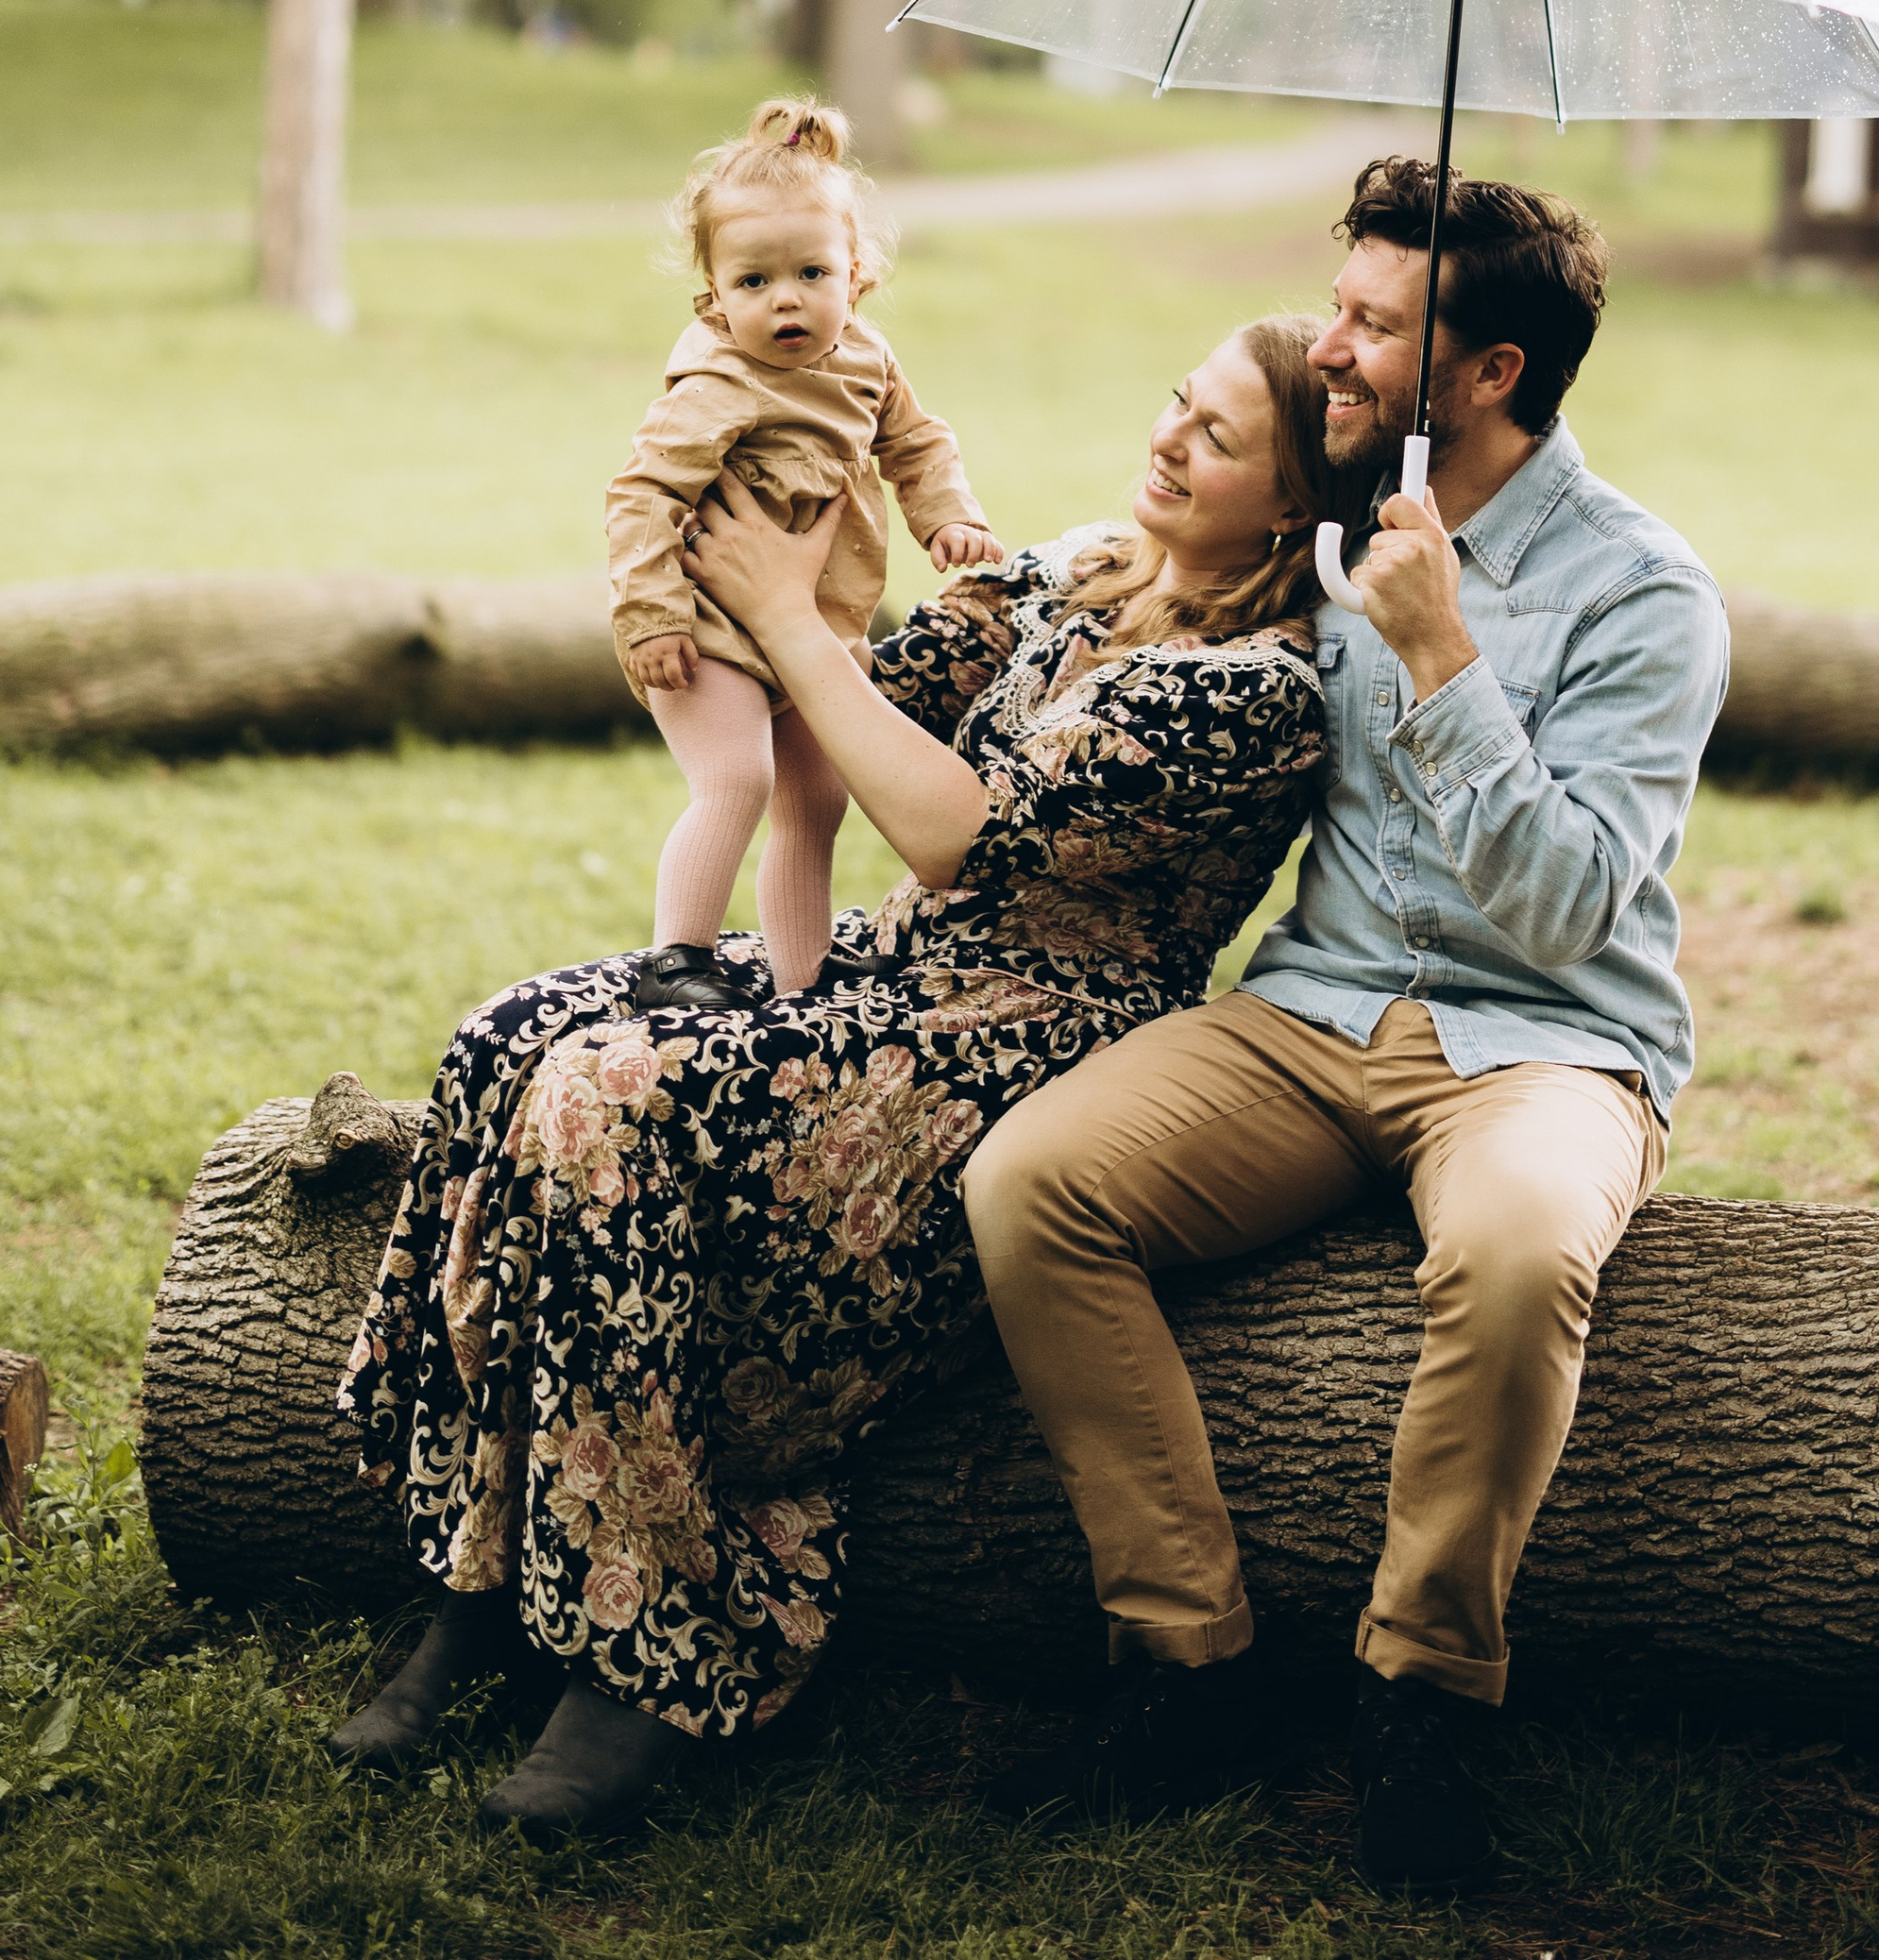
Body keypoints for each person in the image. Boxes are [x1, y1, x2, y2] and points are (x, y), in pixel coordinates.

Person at [330, 315, 1336, 1840]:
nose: (1166, 439)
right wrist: (736, 549)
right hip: (878, 961)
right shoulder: (1084, 571)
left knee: (618, 1101)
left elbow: (955, 826)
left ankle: (650, 1653)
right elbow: (874, 687)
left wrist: (791, 620)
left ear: (1291, 506)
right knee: (513, 1037)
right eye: (1172, 403)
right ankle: (486, 1575)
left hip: (1028, 1032)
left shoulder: (1263, 692)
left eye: (1215, 436)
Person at [964, 159, 1731, 1901]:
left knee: (1526, 1254)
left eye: (1379, 324)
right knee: (1035, 1186)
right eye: (1345, 303)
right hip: (1311, 1010)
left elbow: (1565, 908)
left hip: (1545, 1041)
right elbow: (1162, 560)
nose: (1334, 342)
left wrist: (1448, 659)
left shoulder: (1645, 595)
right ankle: (1188, 1662)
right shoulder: (1334, 517)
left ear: (1492, 375)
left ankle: (1422, 1694)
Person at [604, 96, 1003, 1005]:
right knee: (736, 778)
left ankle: (805, 972)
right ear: (713, 295)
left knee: (816, 801)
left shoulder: (868, 358)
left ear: (855, 274)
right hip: (708, 635)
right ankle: (678, 961)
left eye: (810, 272)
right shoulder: (719, 381)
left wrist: (948, 517)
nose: (785, 298)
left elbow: (917, 443)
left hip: (820, 632)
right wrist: (652, 616)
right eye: (753, 282)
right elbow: (642, 495)